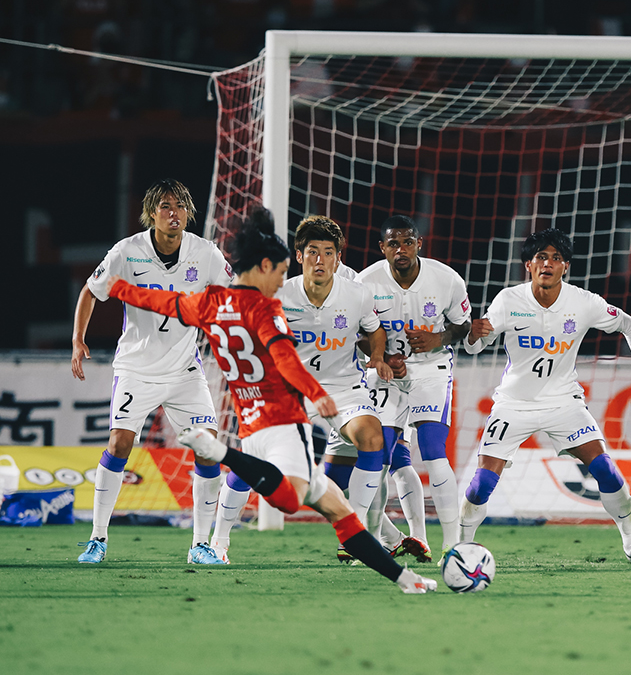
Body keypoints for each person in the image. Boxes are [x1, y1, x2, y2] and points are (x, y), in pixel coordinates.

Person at [104, 207, 437, 593]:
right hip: (283, 422)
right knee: (290, 500)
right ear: (264, 266)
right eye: (279, 272)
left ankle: (405, 579)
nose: (282, 281)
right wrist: (316, 394)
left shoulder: (207, 302)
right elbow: (285, 360)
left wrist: (119, 288)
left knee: (339, 512)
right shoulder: (266, 309)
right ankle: (220, 453)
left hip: (251, 423)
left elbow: (162, 303)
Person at [462, 227, 631, 565]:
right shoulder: (508, 300)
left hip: (563, 403)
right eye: (541, 257)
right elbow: (474, 346)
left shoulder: (583, 302)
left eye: (556, 258)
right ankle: (461, 548)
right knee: (482, 483)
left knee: (606, 471)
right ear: (528, 264)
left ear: (565, 267)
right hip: (514, 405)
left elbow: (630, 325)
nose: (548, 263)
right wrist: (474, 336)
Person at [209, 215, 395, 562]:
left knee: (372, 438)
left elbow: (375, 330)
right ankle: (218, 541)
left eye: (328, 253)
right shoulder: (280, 293)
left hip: (341, 387)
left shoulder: (358, 294)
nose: (320, 260)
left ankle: (351, 537)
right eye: (312, 252)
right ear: (298, 256)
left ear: (339, 258)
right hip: (287, 390)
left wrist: (379, 357)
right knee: (251, 461)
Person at [72, 179, 232, 565]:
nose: (172, 212)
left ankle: (200, 545)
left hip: (184, 371)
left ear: (189, 212)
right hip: (136, 369)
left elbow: (231, 297)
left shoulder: (206, 253)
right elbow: (91, 292)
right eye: (164, 206)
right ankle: (97, 539)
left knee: (209, 450)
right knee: (119, 446)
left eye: (179, 205)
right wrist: (78, 340)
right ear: (151, 213)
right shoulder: (127, 252)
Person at [358, 215, 471, 559]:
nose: (401, 249)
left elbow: (463, 325)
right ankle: (374, 538)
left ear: (419, 244)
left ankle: (452, 544)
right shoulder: (366, 283)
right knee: (378, 455)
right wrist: (381, 356)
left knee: (433, 447)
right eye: (393, 243)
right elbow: (358, 334)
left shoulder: (446, 279)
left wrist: (439, 337)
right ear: (383, 248)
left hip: (431, 368)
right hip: (386, 372)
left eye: (408, 242)